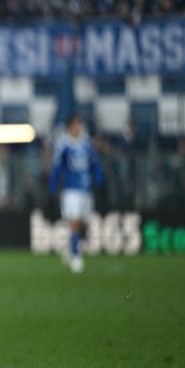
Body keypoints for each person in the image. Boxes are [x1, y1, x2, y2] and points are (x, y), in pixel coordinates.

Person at [48, 113, 104, 273]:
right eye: (75, 124)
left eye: (80, 124)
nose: (78, 127)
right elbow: (57, 167)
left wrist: (99, 177)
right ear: (70, 126)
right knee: (74, 222)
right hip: (71, 189)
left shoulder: (87, 143)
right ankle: (75, 256)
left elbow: (95, 163)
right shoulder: (64, 144)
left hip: (86, 189)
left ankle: (71, 248)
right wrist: (53, 184)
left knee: (84, 224)